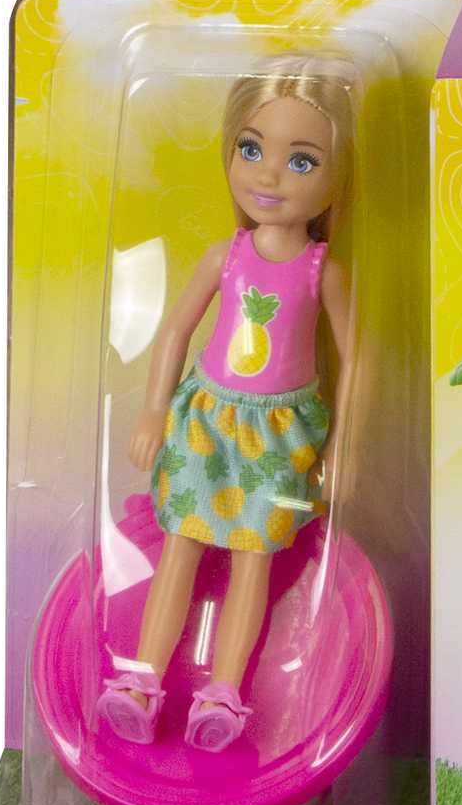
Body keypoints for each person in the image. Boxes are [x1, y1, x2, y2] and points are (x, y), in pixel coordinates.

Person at [100, 59, 361, 753]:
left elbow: (357, 360)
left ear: (338, 174)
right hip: (208, 421)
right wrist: (153, 410)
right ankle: (141, 679)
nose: (269, 174)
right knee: (181, 544)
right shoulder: (226, 256)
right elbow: (175, 330)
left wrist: (344, 447)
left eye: (301, 160)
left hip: (279, 433)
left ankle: (223, 692)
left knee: (253, 558)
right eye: (251, 148)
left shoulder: (323, 271)